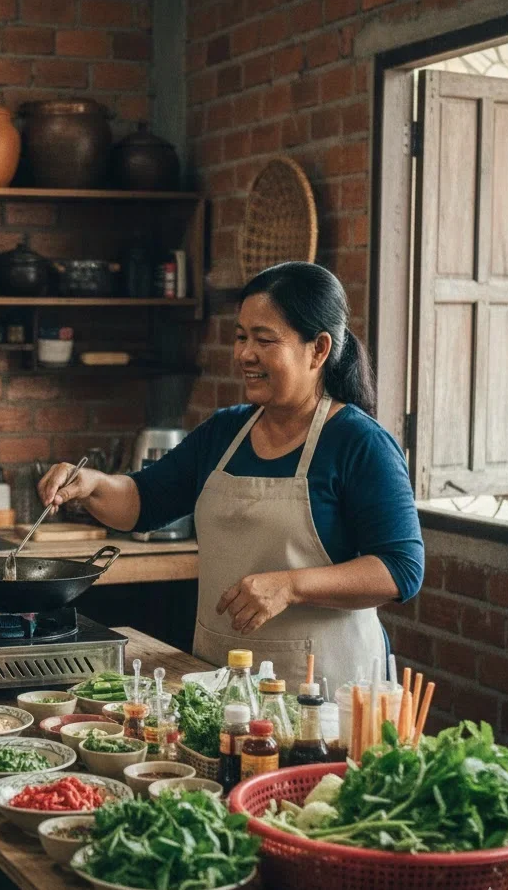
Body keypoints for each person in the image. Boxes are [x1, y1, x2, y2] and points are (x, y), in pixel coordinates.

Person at [38, 261, 424, 693]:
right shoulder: (225, 432)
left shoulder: (359, 442)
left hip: (327, 690)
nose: (244, 354)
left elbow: (400, 569)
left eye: (264, 339)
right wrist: (90, 484)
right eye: (241, 337)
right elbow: (141, 503)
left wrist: (291, 586)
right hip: (218, 679)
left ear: (318, 349)